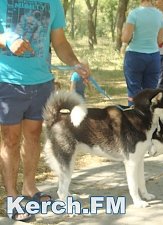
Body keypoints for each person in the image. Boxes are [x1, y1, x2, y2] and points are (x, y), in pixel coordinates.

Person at [0, 0, 90, 221]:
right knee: (10, 140)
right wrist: (7, 40)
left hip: (42, 82)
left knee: (33, 136)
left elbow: (59, 41)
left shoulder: (53, 3)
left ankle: (29, 188)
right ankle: (11, 197)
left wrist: (75, 63)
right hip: (7, 82)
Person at [121, 0, 163, 106]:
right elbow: (160, 40)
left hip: (135, 56)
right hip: (154, 57)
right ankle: (148, 121)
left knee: (134, 93)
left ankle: (133, 120)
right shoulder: (159, 15)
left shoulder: (134, 13)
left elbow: (125, 38)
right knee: (150, 94)